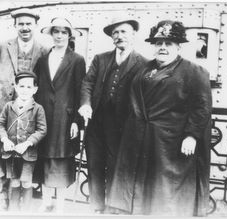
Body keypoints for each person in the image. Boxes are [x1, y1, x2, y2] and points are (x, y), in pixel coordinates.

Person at [108, 20, 212, 216]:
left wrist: (191, 136)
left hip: (170, 142)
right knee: (142, 186)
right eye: (158, 43)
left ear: (179, 47)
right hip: (141, 137)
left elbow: (202, 107)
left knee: (165, 190)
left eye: (168, 43)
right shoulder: (144, 69)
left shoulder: (194, 72)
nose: (162, 47)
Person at [0, 8, 48, 209]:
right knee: (4, 159)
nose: (24, 27)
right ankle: (3, 203)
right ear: (15, 25)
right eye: (20, 23)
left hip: (30, 115)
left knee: (28, 161)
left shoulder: (43, 50)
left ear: (35, 26)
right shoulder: (2, 46)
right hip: (5, 114)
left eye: (28, 24)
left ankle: (25, 205)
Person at [78, 16, 148, 213]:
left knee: (118, 168)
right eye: (115, 33)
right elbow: (87, 83)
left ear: (133, 34)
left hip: (122, 127)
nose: (119, 36)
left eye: (123, 31)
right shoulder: (101, 59)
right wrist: (85, 104)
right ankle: (96, 207)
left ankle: (114, 208)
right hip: (96, 123)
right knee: (95, 166)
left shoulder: (143, 63)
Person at [33, 17, 86, 213]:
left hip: (65, 118)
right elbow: (38, 88)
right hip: (43, 116)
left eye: (64, 32)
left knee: (62, 159)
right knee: (44, 157)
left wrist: (76, 121)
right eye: (56, 31)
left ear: (69, 35)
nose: (60, 35)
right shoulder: (43, 59)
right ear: (51, 34)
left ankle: (61, 205)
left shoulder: (77, 60)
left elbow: (81, 90)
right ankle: (46, 201)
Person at [0, 72, 47, 211]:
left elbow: (42, 130)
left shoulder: (38, 108)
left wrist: (27, 143)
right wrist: (5, 139)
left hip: (28, 154)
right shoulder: (8, 106)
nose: (25, 90)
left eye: (29, 87)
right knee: (14, 181)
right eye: (22, 86)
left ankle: (26, 211)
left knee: (26, 181)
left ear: (35, 89)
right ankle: (13, 210)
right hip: (11, 154)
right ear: (16, 88)